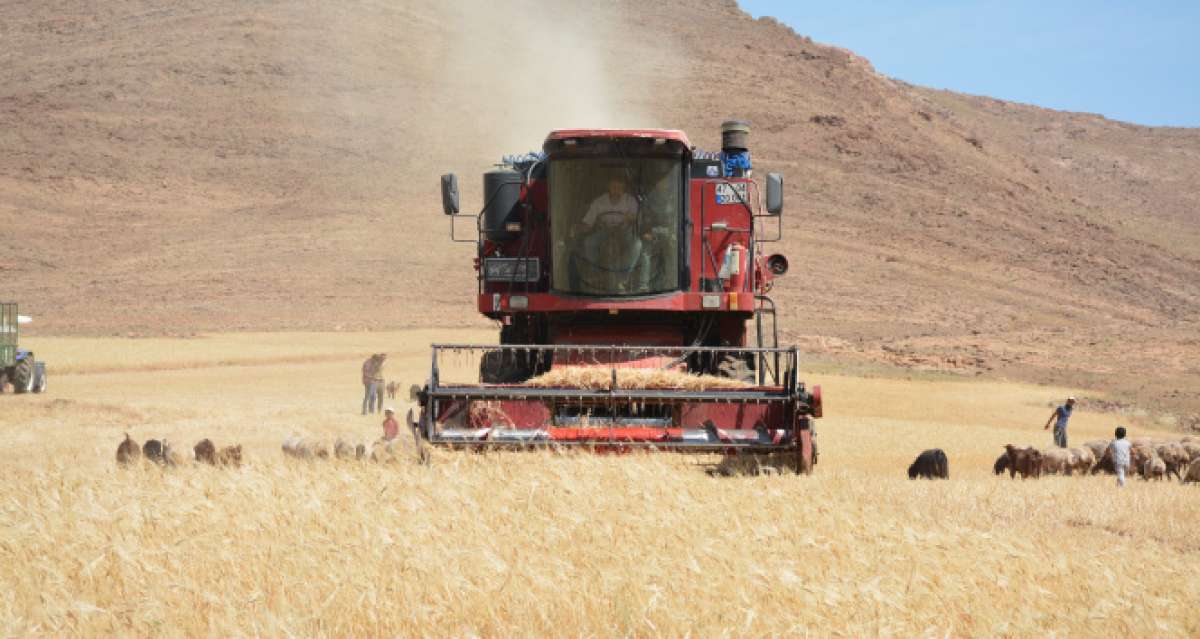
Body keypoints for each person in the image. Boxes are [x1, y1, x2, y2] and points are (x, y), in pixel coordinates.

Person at [581, 177, 643, 292]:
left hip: (624, 231)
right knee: (589, 242)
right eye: (613, 187)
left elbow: (639, 219)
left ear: (624, 188)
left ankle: (623, 278)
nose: (616, 190)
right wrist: (582, 228)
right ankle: (596, 274)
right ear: (608, 187)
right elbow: (588, 221)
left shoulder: (630, 200)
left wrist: (632, 218)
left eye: (619, 187)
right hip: (605, 231)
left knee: (637, 245)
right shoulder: (599, 201)